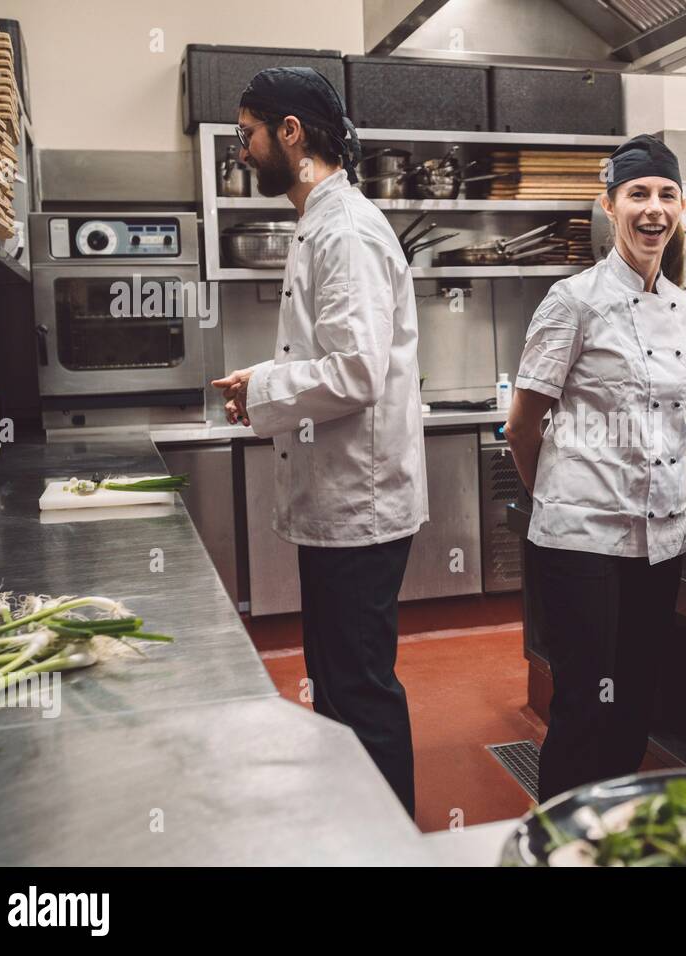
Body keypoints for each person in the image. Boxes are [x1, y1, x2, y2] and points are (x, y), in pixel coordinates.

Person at [211, 68, 427, 816]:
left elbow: (357, 371)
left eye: (249, 134)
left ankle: (390, 844)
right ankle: (356, 834)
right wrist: (267, 381)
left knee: (359, 687)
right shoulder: (321, 223)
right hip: (339, 505)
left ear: (291, 133)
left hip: (358, 508)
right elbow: (330, 357)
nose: (244, 151)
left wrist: (264, 388)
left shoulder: (347, 230)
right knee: (337, 683)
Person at [504, 134, 686, 802]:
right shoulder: (573, 300)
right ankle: (562, 837)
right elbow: (522, 424)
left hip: (659, 535)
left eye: (666, 195)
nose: (653, 209)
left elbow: (668, 423)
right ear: (610, 206)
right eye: (637, 194)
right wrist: (557, 500)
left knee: (636, 707)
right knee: (585, 708)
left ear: (680, 207)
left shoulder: (684, 306)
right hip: (581, 538)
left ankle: (614, 835)